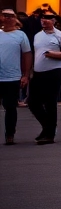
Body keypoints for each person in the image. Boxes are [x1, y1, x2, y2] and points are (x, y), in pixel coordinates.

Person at [29, 12, 61, 144]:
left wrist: (53, 54)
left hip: (53, 72)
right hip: (38, 73)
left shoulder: (59, 36)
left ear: (54, 21)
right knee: (32, 102)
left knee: (50, 103)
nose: (45, 21)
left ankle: (50, 134)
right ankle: (47, 127)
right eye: (43, 18)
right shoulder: (37, 35)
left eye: (48, 19)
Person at [1, 8, 33, 146]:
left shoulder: (20, 35)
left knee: (10, 107)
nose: (8, 18)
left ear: (16, 19)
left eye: (11, 16)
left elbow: (27, 54)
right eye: (5, 15)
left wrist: (25, 75)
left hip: (12, 77)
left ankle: (10, 134)